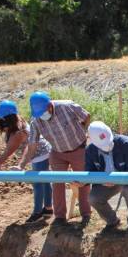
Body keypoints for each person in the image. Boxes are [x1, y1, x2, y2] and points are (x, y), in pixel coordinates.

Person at [24, 91, 92, 225]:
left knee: (83, 182)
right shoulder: (36, 121)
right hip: (57, 152)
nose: (42, 116)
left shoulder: (67, 106)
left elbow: (86, 116)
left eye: (43, 111)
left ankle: (86, 214)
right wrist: (22, 164)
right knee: (57, 182)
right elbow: (32, 144)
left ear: (50, 105)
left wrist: (83, 129)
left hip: (78, 148)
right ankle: (60, 217)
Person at [0, 100, 54, 224]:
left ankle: (38, 213)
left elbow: (8, 151)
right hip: (43, 150)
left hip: (39, 154)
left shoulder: (18, 133)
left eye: (1, 119)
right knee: (45, 180)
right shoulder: (18, 121)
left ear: (7, 119)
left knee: (38, 184)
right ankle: (48, 208)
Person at [85, 121, 128, 232]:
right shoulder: (90, 151)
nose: (107, 146)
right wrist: (101, 182)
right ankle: (112, 221)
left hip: (127, 178)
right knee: (93, 198)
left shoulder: (126, 144)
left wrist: (119, 180)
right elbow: (89, 173)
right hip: (105, 182)